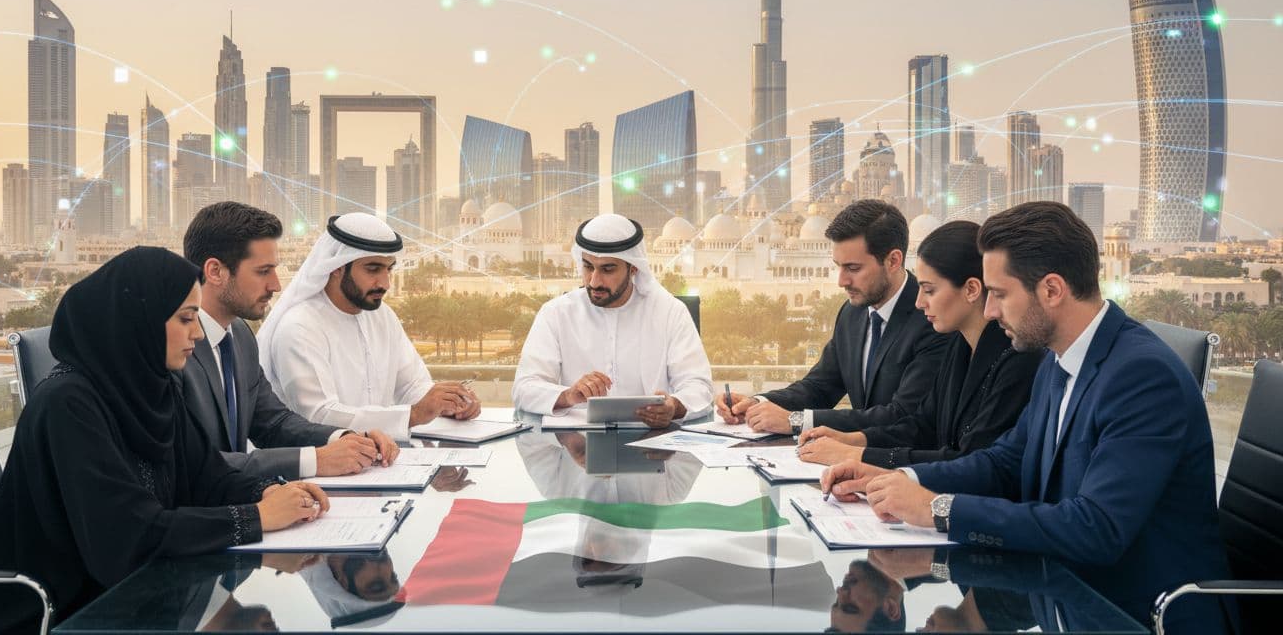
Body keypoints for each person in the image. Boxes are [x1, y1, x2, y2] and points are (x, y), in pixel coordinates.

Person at [818, 202, 1232, 633]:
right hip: (1063, 600)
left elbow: (1096, 528)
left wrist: (938, 509)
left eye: (999, 294)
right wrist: (897, 479)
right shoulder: (1058, 359)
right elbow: (1005, 461)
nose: (990, 311)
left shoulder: (1142, 376)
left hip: (1136, 615)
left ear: (1051, 290)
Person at [0, 247, 329, 633]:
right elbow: (127, 536)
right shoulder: (68, 406)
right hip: (60, 613)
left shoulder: (152, 387)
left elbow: (209, 477)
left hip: (140, 601)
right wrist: (256, 517)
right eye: (186, 318)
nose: (197, 333)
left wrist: (269, 492)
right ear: (140, 320)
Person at [181, 201, 398, 481]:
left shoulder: (240, 337)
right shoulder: (172, 349)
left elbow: (273, 423)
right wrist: (316, 460)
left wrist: (347, 439)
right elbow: (194, 464)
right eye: (263, 271)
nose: (276, 285)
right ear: (214, 271)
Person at [795, 220, 1041, 468]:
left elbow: (972, 460)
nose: (919, 302)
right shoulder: (959, 345)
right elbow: (923, 426)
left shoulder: (1016, 356)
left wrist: (856, 456)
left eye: (929, 290)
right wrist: (852, 440)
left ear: (971, 289)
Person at [716, 200, 949, 435]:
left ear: (893, 261)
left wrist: (797, 421)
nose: (841, 281)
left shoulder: (932, 319)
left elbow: (902, 415)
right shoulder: (853, 313)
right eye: (838, 266)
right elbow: (820, 387)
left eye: (853, 268)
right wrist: (757, 403)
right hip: (853, 455)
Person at [258, 213, 479, 441]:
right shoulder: (299, 327)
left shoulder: (382, 316)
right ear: (336, 267)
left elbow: (411, 385)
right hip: (323, 461)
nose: (385, 283)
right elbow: (319, 416)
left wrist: (449, 402)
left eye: (388, 269)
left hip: (383, 455)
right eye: (373, 269)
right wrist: (412, 415)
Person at [512, 213, 713, 428]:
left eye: (608, 269)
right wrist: (567, 395)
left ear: (633, 268)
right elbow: (524, 388)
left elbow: (699, 387)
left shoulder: (670, 313)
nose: (594, 281)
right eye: (588, 267)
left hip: (655, 442)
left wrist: (674, 406)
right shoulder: (556, 313)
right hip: (577, 443)